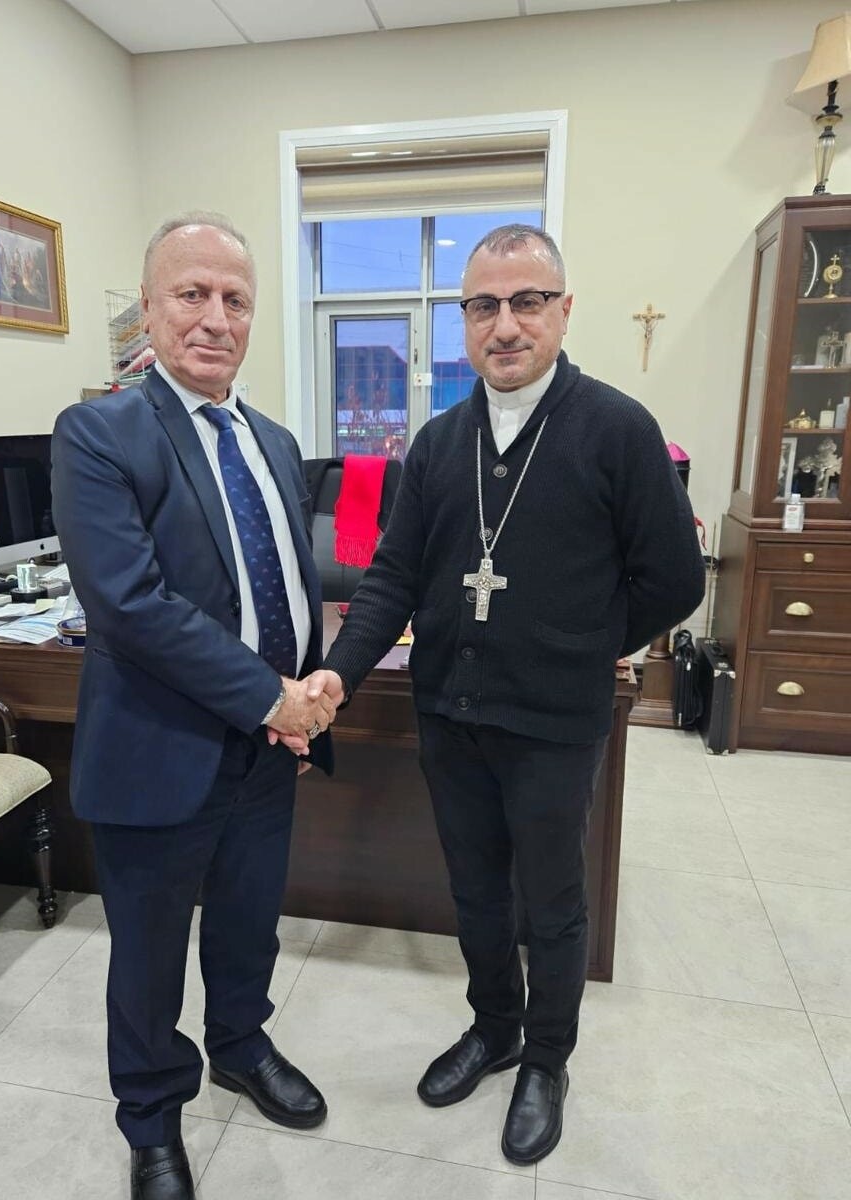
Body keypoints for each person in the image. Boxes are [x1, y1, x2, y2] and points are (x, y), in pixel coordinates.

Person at [303, 224, 705, 1166]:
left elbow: (675, 578)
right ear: (464, 321)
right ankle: (495, 1028)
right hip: (451, 711)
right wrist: (338, 672)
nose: (506, 324)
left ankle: (547, 1059)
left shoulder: (618, 429)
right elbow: (393, 578)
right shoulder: (439, 443)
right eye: (484, 305)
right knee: (475, 888)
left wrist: (586, 644)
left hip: (555, 720)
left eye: (528, 301)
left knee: (552, 899)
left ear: (564, 311)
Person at [52, 212, 338, 1200]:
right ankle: (152, 1119)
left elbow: (282, 585)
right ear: (149, 307)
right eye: (192, 294)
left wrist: (305, 688)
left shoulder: (275, 441)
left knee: (249, 925)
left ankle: (242, 1046)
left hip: (265, 753)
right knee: (147, 956)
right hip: (158, 752)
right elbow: (130, 605)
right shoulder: (99, 434)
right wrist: (272, 696)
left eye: (236, 299)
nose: (217, 318)